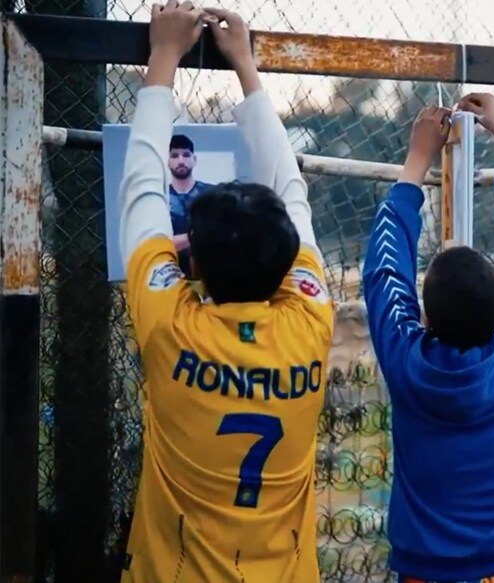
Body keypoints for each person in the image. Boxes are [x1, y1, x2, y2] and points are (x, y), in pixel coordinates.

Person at [118, 4, 333, 582]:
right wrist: (246, 67)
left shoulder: (172, 325)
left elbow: (143, 186)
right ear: (287, 263)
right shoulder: (309, 322)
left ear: (197, 269)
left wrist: (163, 54)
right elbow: (292, 190)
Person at [362, 94, 494, 582]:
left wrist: (417, 159)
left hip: (428, 569)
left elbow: (384, 269)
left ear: (425, 317)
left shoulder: (407, 361)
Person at [167, 133, 212, 274]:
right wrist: (196, 236)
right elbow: (156, 243)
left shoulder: (212, 194)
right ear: (167, 160)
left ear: (194, 159)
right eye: (174, 156)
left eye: (186, 155)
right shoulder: (160, 198)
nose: (181, 161)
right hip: (169, 273)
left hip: (209, 273)